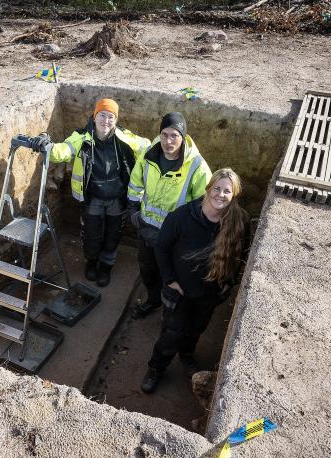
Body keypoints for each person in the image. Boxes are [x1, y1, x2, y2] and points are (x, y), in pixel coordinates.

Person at [140, 168, 250, 394]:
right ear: (208, 189)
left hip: (209, 293)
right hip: (179, 291)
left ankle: (187, 356)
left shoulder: (239, 222)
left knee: (196, 329)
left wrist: (230, 281)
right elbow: (161, 247)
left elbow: (242, 254)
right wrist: (169, 280)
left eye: (227, 191)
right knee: (172, 333)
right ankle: (156, 367)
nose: (220, 194)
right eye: (217, 189)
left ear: (234, 195)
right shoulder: (182, 217)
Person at [29, 99, 150, 287]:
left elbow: (149, 147)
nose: (106, 121)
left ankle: (106, 267)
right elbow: (62, 151)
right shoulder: (81, 137)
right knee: (91, 234)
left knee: (113, 234)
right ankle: (92, 263)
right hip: (92, 199)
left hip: (117, 199)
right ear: (95, 116)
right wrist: (46, 146)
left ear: (116, 120)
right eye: (102, 115)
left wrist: (175, 147)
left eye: (111, 117)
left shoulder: (124, 138)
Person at [127, 112, 211, 319]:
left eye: (174, 135)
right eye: (164, 134)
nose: (168, 141)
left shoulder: (196, 166)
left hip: (175, 236)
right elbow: (135, 184)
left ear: (183, 137)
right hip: (147, 229)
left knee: (172, 276)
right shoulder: (148, 155)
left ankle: (170, 312)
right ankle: (153, 301)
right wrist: (134, 212)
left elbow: (204, 204)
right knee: (147, 269)